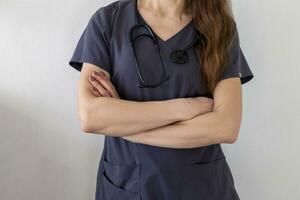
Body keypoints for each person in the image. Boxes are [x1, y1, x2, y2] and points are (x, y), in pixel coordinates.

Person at [68, 0, 254, 199]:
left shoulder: (219, 27)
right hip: (128, 187)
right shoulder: (108, 21)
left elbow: (226, 127)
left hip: (203, 187)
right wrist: (182, 108)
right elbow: (90, 116)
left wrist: (124, 127)